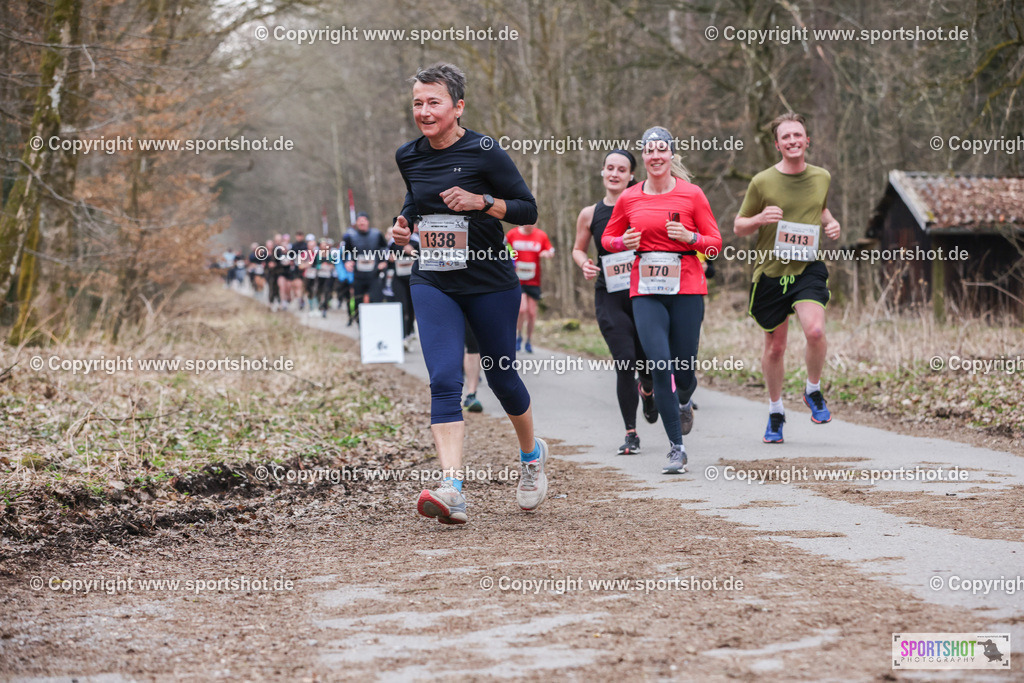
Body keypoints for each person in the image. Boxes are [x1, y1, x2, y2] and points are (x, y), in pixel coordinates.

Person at [392, 62, 547, 524]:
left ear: (458, 107)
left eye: (433, 102)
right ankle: (453, 488)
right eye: (418, 103)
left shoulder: (485, 151)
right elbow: (416, 200)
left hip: (489, 283)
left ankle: (531, 456)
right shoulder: (407, 155)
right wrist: (403, 225)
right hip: (433, 278)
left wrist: (483, 202)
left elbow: (528, 210)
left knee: (501, 378)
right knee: (444, 378)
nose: (424, 111)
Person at [601, 127, 723, 474]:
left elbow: (715, 244)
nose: (655, 156)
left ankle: (684, 399)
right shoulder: (629, 198)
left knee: (683, 373)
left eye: (661, 150)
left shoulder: (692, 194)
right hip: (646, 291)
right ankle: (676, 448)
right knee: (659, 365)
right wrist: (622, 243)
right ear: (644, 156)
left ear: (671, 155)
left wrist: (691, 237)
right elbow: (608, 239)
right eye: (649, 150)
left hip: (687, 290)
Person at [733, 112, 841, 444]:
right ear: (777, 145)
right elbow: (739, 226)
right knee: (776, 348)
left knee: (815, 330)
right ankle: (776, 410)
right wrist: (760, 218)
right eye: (786, 137)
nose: (793, 141)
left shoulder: (822, 176)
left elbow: (818, 207)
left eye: (798, 135)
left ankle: (812, 389)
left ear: (807, 140)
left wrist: (830, 222)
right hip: (771, 272)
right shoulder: (762, 182)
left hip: (807, 268)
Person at [572, 149, 657, 456]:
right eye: (610, 168)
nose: (614, 174)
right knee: (624, 361)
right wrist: (584, 263)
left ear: (632, 175)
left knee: (647, 363)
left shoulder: (643, 207)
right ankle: (631, 433)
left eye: (622, 169)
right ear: (602, 172)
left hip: (643, 292)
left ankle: (648, 389)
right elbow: (578, 249)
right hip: (609, 294)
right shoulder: (589, 213)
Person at [506, 223, 554, 353]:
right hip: (517, 280)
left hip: (534, 280)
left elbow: (551, 250)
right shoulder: (512, 234)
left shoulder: (541, 235)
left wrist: (548, 253)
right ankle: (518, 336)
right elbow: (503, 248)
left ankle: (528, 340)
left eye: (533, 222)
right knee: (522, 309)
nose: (530, 224)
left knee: (532, 313)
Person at [345, 212, 388, 309]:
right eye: (359, 221)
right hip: (358, 275)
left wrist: (383, 261)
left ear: (368, 222)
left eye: (363, 220)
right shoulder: (350, 236)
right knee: (358, 300)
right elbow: (345, 253)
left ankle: (375, 318)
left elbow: (385, 248)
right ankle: (358, 317)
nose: (362, 223)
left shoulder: (377, 234)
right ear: (356, 223)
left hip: (374, 274)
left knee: (375, 299)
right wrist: (347, 262)